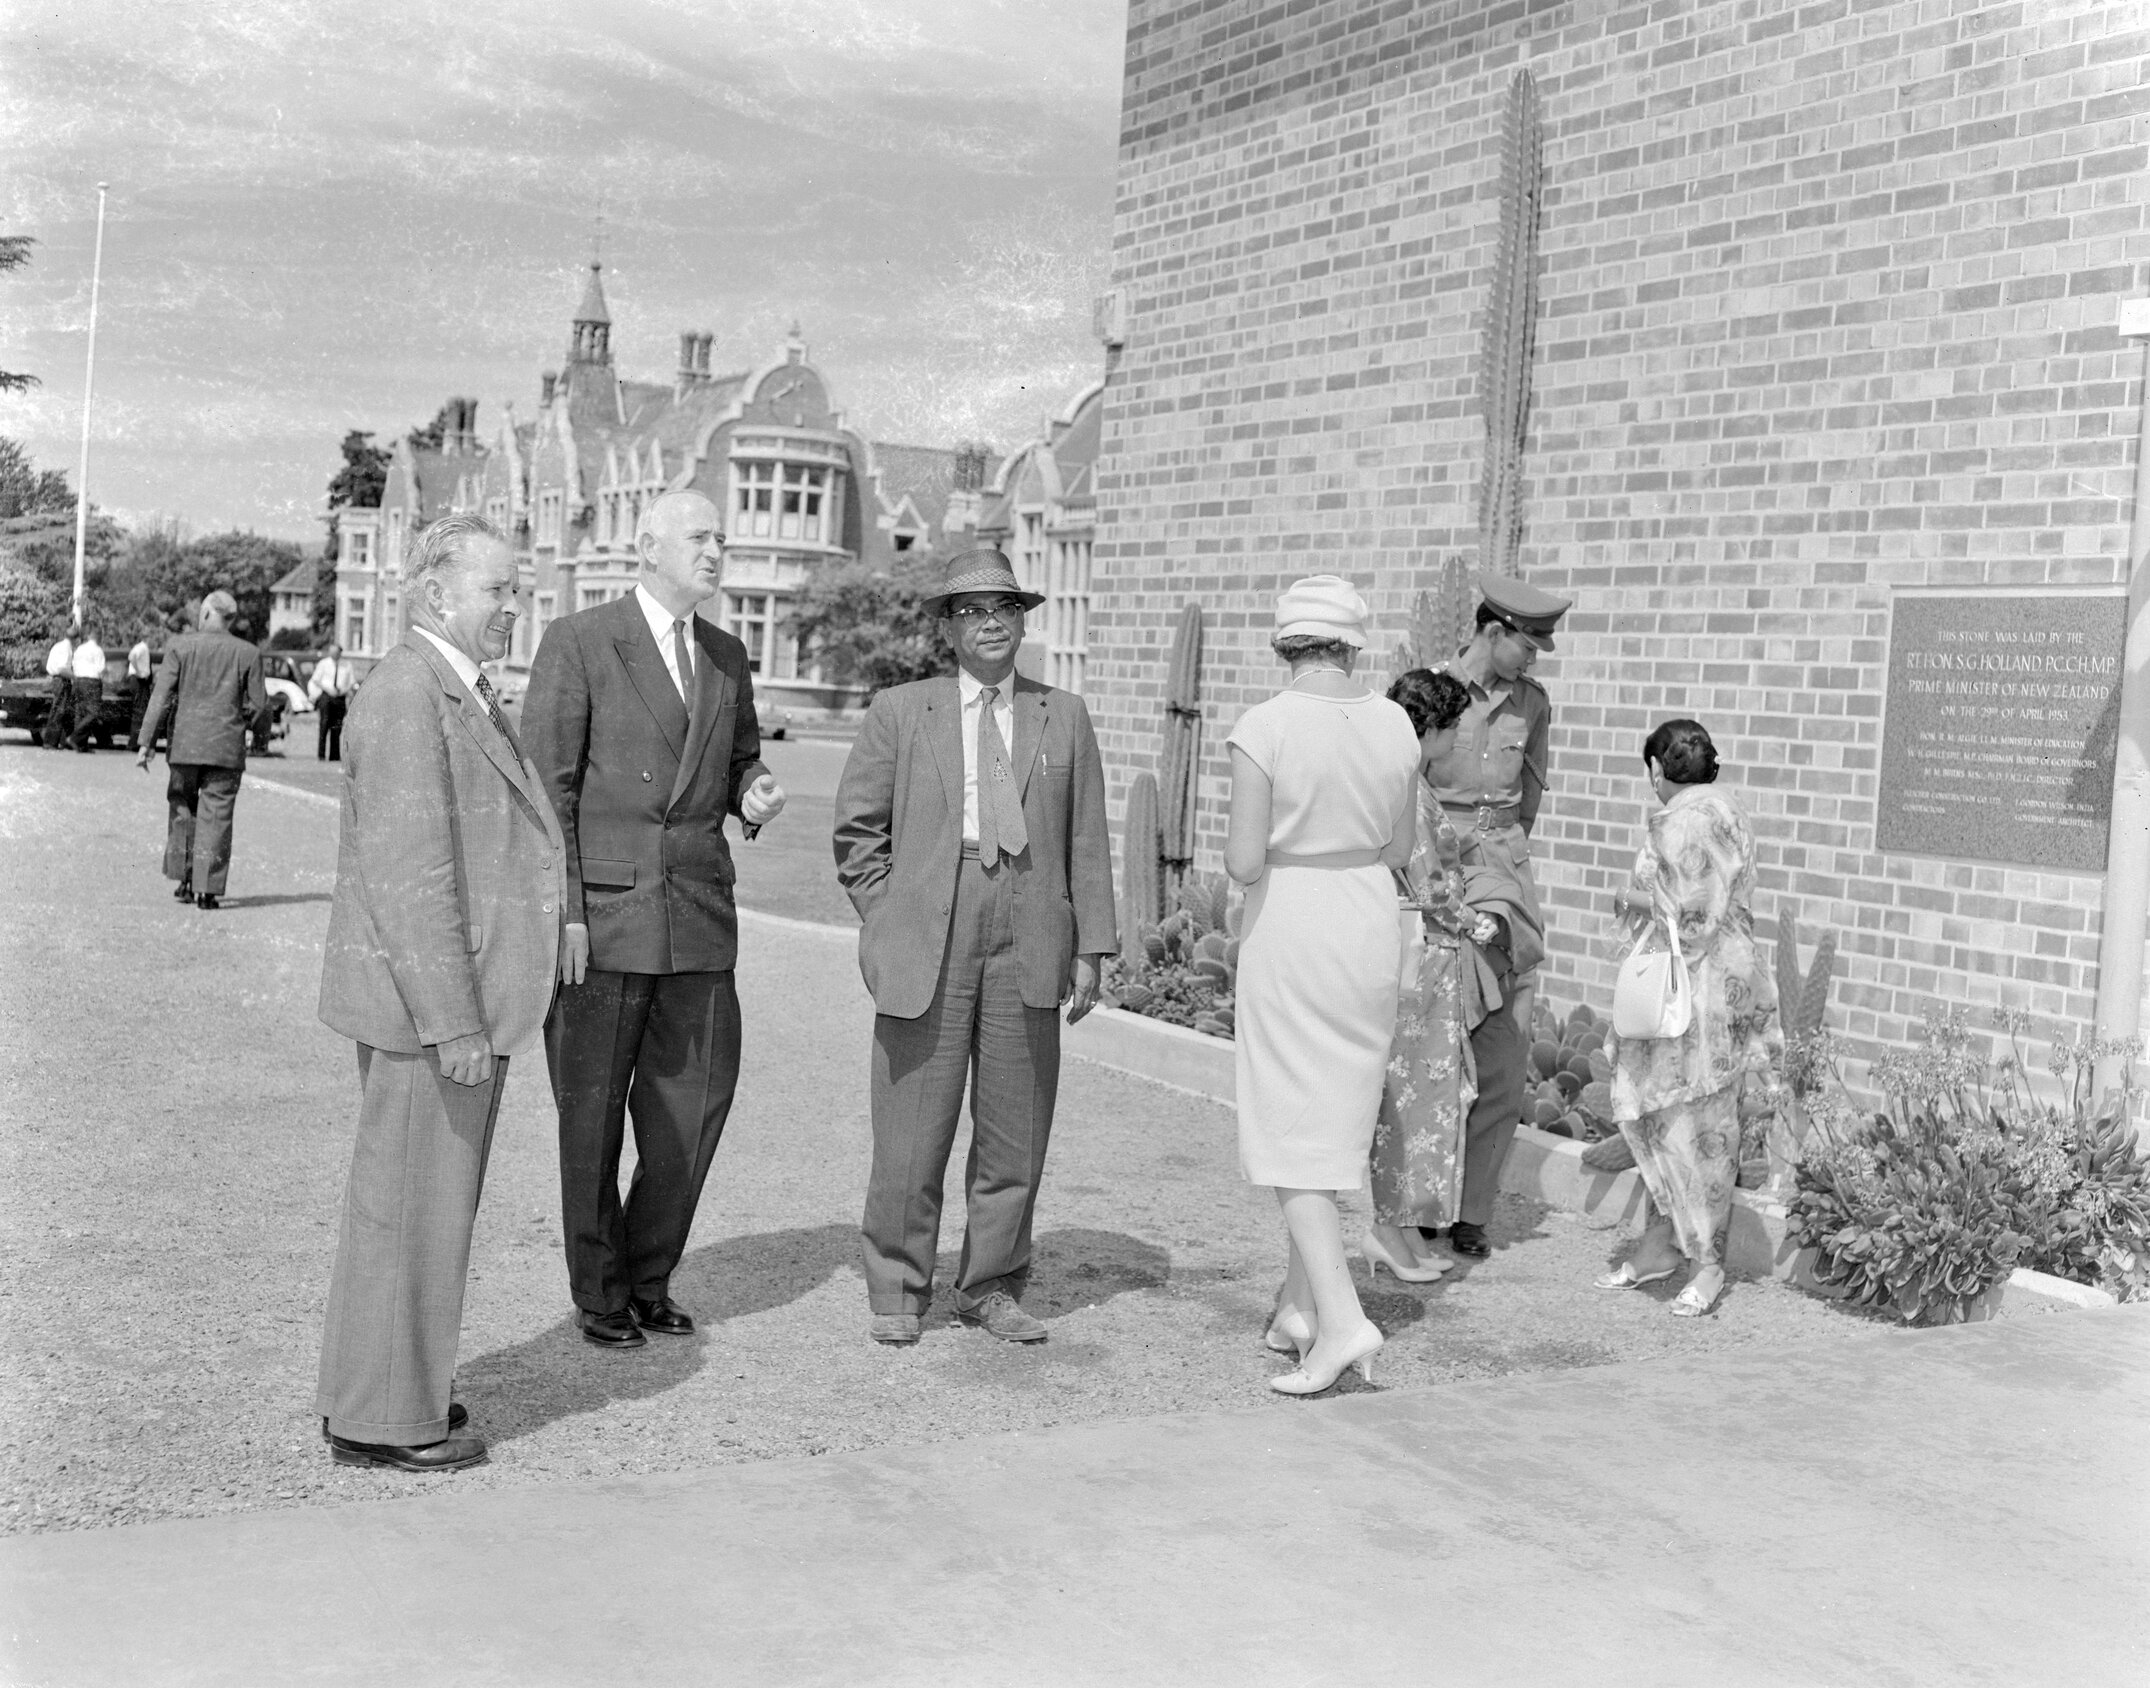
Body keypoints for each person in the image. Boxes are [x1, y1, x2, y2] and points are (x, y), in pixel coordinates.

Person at [315, 514, 565, 1472]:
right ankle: (389, 1419)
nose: (514, 607)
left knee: (406, 1207)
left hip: (442, 1007)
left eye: (516, 590)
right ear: (433, 595)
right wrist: (453, 1021)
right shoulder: (410, 693)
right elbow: (411, 874)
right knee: (415, 1212)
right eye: (499, 590)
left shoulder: (441, 687)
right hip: (434, 1017)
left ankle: (373, 1392)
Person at [523, 489, 787, 1350]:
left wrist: (752, 788)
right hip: (602, 919)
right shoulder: (581, 641)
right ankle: (600, 1293)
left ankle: (648, 1276)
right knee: (592, 1116)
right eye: (700, 537)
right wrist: (564, 911)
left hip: (700, 915)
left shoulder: (726, 653)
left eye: (722, 537)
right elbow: (546, 792)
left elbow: (740, 752)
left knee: (695, 1106)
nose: (717, 550)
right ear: (647, 547)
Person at [832, 548, 1116, 1347]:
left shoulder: (1064, 714)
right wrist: (888, 916)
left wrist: (1091, 947)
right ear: (948, 630)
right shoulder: (901, 711)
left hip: (1029, 925)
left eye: (1005, 608)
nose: (990, 622)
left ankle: (990, 1284)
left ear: (1024, 622)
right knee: (912, 1126)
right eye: (971, 611)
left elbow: (1087, 838)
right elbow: (857, 835)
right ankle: (896, 1286)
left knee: (1015, 1125)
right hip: (931, 925)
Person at [1225, 576, 1420, 1395]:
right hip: (1368, 916)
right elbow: (1401, 843)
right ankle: (1297, 1310)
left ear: (1285, 646)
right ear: (1352, 644)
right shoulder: (1398, 722)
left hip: (1293, 916)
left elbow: (1242, 862)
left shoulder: (1264, 726)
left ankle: (1341, 1321)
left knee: (1285, 1124)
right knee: (1333, 1116)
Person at [1596, 719, 1782, 1317]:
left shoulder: (1679, 821)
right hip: (1726, 983)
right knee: (1687, 1121)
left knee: (1692, 1127)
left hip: (1689, 995)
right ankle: (1660, 1247)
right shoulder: (1731, 812)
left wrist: (1629, 899)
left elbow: (1688, 918)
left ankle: (1706, 1264)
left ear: (1656, 771)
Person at [1421, 571, 1571, 1257]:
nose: (1534, 660)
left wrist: (1502, 865)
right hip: (1439, 878)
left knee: (1504, 1049)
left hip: (1506, 883)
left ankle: (1472, 1211)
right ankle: (1423, 1202)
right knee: (1434, 1052)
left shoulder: (1532, 705)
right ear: (1492, 632)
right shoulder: (1430, 693)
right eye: (1528, 647)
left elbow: (1528, 803)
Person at [1364, 669, 1500, 1284]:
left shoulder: (1404, 783)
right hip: (1426, 953)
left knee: (1425, 1097)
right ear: (1432, 728)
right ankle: (1391, 1230)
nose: (1456, 744)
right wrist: (1474, 921)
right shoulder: (1408, 790)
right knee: (1415, 1099)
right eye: (1452, 730)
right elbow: (1427, 882)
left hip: (1423, 953)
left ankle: (1403, 1232)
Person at [133, 591, 267, 911]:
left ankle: (184, 881)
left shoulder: (180, 647)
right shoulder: (248, 653)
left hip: (184, 746)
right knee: (216, 817)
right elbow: (260, 707)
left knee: (183, 809)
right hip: (225, 748)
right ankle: (207, 890)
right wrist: (249, 729)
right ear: (230, 619)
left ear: (206, 613)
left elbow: (161, 696)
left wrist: (145, 744)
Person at [310, 642, 355, 761]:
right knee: (324, 725)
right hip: (327, 696)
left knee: (337, 727)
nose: (334, 654)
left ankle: (334, 755)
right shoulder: (324, 664)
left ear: (340, 653)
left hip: (340, 697)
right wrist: (328, 689)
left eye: (336, 652)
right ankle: (321, 754)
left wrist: (343, 690)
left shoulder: (347, 665)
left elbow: (351, 682)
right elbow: (316, 679)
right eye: (332, 652)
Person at [66, 621, 106, 752]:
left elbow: (74, 665)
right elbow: (101, 668)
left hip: (78, 680)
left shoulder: (80, 649)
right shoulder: (98, 650)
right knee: (94, 713)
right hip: (92, 681)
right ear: (97, 636)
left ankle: (81, 744)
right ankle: (75, 738)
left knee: (81, 712)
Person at [40, 628, 74, 750]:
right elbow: (62, 669)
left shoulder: (57, 646)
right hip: (61, 680)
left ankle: (56, 740)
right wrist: (76, 676)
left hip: (56, 679)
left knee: (58, 711)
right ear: (75, 639)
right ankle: (50, 742)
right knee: (58, 711)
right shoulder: (67, 649)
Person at [125, 635, 155, 751]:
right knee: (139, 711)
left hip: (141, 681)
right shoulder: (141, 647)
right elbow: (132, 657)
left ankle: (135, 741)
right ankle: (134, 742)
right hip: (138, 680)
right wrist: (139, 672)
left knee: (141, 711)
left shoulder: (144, 648)